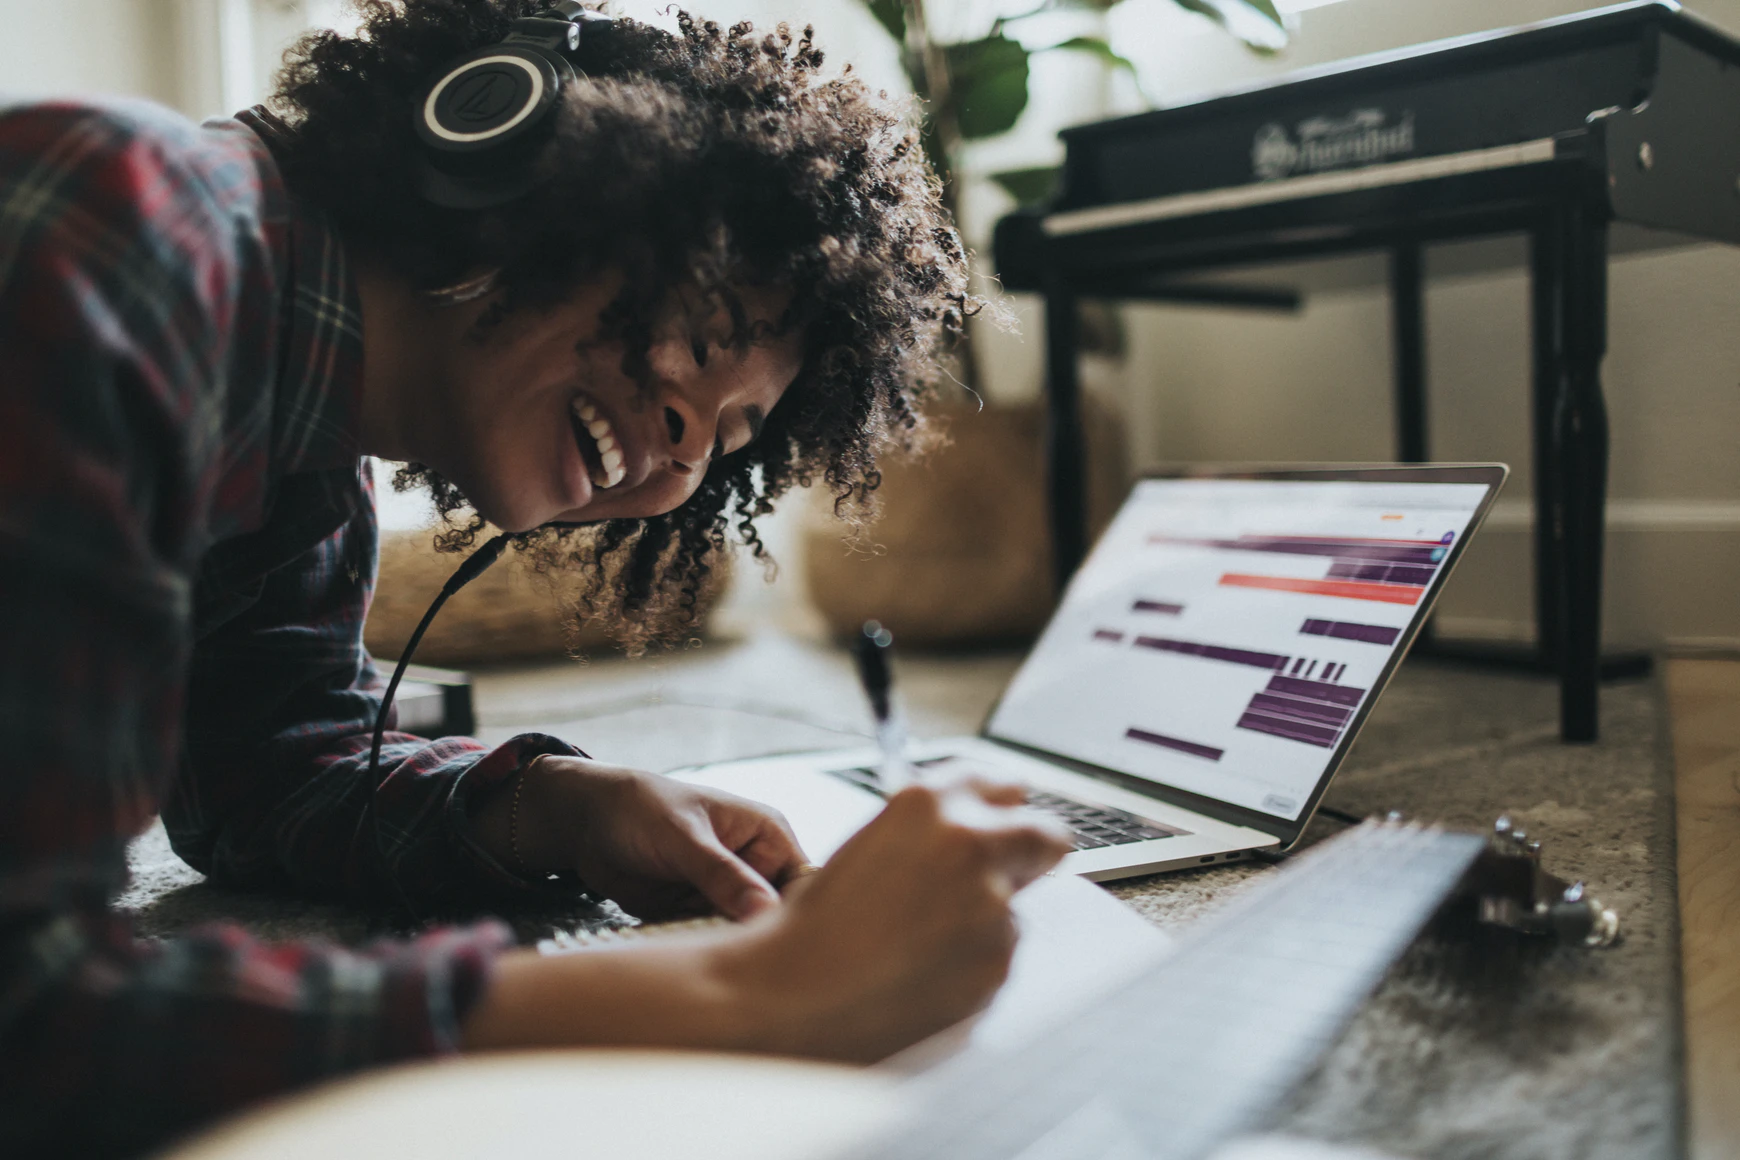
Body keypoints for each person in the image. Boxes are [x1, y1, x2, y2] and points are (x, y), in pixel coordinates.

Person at [0, 2, 1072, 1156]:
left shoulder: (303, 444)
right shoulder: (124, 226)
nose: (685, 447)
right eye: (706, 328)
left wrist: (559, 807)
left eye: (736, 435)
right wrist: (747, 998)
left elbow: (263, 772)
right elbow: (33, 1016)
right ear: (506, 153)